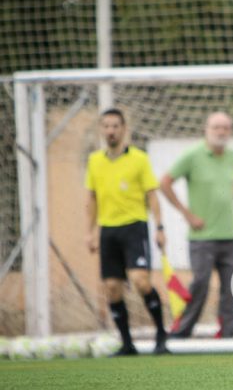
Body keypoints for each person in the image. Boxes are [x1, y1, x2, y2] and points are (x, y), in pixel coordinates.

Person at [85, 108, 170, 356]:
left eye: (115, 126)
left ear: (124, 130)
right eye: (106, 126)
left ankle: (161, 335)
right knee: (112, 287)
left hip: (135, 226)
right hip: (108, 230)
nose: (111, 131)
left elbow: (152, 195)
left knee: (140, 280)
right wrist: (89, 232)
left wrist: (160, 227)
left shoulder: (139, 159)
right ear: (101, 130)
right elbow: (91, 199)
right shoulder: (94, 161)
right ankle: (127, 343)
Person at [160, 112, 233, 339]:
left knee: (230, 287)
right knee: (200, 284)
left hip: (229, 232)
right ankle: (183, 330)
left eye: (226, 128)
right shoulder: (192, 156)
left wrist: (231, 195)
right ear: (206, 129)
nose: (221, 132)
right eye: (216, 127)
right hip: (202, 236)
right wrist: (186, 213)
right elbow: (165, 182)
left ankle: (227, 332)